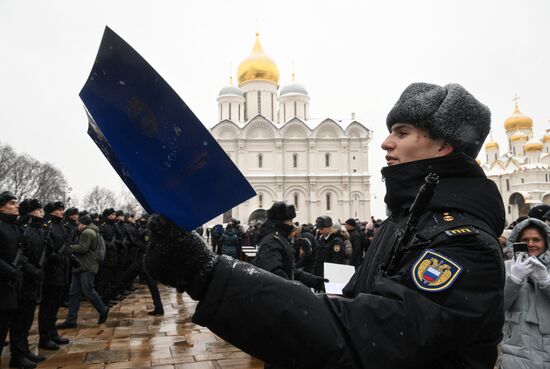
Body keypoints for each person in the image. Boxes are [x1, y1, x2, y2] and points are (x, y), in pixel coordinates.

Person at [144, 82, 505, 368]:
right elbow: (357, 303)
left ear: (443, 144)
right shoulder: (408, 220)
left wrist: (210, 276)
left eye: (402, 131)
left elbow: (362, 336)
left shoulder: (463, 245)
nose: (386, 141)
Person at [501, 218, 550, 369]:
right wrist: (514, 279)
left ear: (546, 242)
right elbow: (499, 305)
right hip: (516, 346)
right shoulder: (507, 267)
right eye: (525, 240)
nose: (530, 244)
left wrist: (546, 282)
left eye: (536, 239)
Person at [57, 215, 109, 329]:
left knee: (88, 290)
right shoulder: (89, 231)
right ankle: (71, 320)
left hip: (87, 266)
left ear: (83, 224)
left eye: (79, 224)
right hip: (81, 265)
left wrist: (69, 247)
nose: (77, 226)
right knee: (74, 293)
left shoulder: (87, 232)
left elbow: (83, 248)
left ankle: (103, 310)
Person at [11, 199, 47, 365]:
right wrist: (31, 269)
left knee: (27, 319)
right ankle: (18, 354)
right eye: (39, 211)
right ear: (31, 212)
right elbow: (18, 254)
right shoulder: (23, 228)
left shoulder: (38, 229)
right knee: (20, 320)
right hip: (24, 279)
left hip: (33, 280)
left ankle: (24, 350)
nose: (42, 213)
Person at [39, 201, 70, 351]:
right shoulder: (48, 224)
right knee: (47, 306)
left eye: (62, 209)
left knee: (55, 305)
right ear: (51, 211)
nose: (62, 212)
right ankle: (44, 337)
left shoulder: (61, 225)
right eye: (59, 210)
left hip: (61, 270)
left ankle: (52, 333)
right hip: (51, 271)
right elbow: (46, 248)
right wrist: (54, 257)